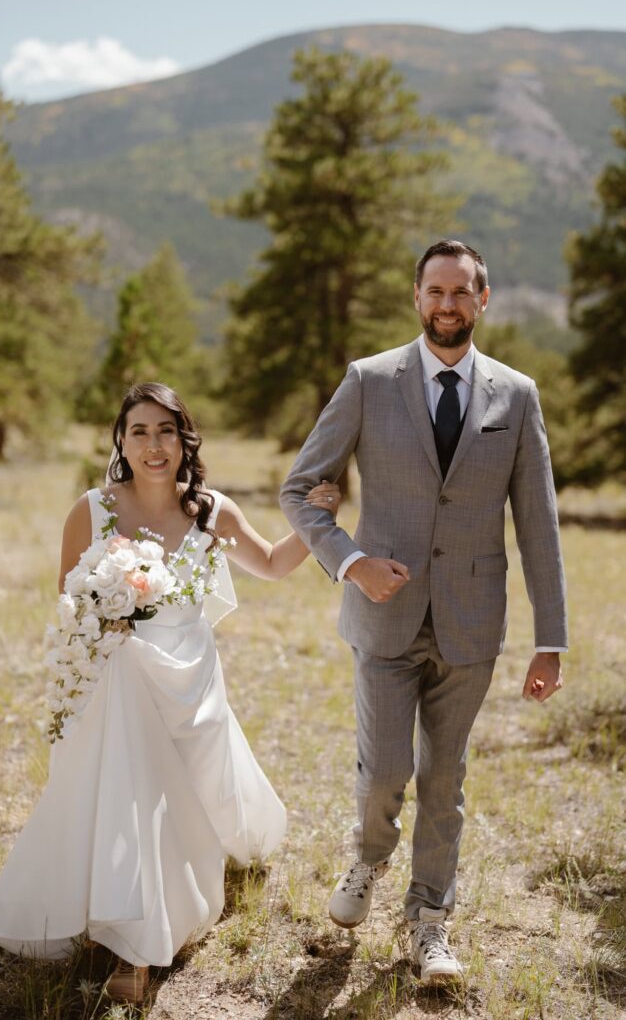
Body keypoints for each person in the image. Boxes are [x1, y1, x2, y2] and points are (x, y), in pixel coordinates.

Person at [0, 382, 340, 1004]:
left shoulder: (212, 511)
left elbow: (274, 564)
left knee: (193, 799)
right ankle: (135, 949)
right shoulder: (91, 509)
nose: (153, 445)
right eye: (139, 431)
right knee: (128, 737)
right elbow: (68, 602)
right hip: (117, 679)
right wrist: (109, 613)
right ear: (121, 440)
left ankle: (164, 899)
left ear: (184, 440)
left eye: (165, 431)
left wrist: (317, 517)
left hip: (191, 678)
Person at [279, 240, 568, 983]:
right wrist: (351, 560)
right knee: (385, 773)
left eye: (460, 292)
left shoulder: (518, 394)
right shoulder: (370, 381)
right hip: (384, 615)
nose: (447, 305)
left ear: (483, 297)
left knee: (446, 778)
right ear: (416, 297)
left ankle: (429, 919)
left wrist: (551, 640)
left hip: (473, 621)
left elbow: (537, 523)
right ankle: (370, 858)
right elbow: (299, 486)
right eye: (434, 291)